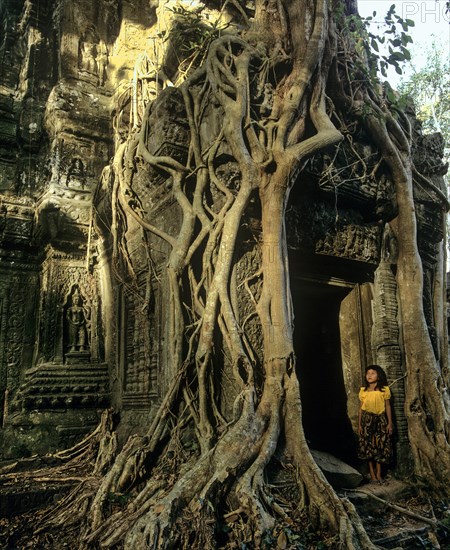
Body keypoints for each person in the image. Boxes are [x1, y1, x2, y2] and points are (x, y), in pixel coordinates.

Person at [358, 365, 393, 484]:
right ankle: (372, 474)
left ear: (379, 376)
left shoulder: (384, 390)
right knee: (368, 447)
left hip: (381, 420)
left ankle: (379, 473)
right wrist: (359, 425)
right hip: (367, 421)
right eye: (368, 373)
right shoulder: (363, 391)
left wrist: (389, 423)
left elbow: (388, 406)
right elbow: (361, 410)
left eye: (373, 373)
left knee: (380, 446)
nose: (369, 375)